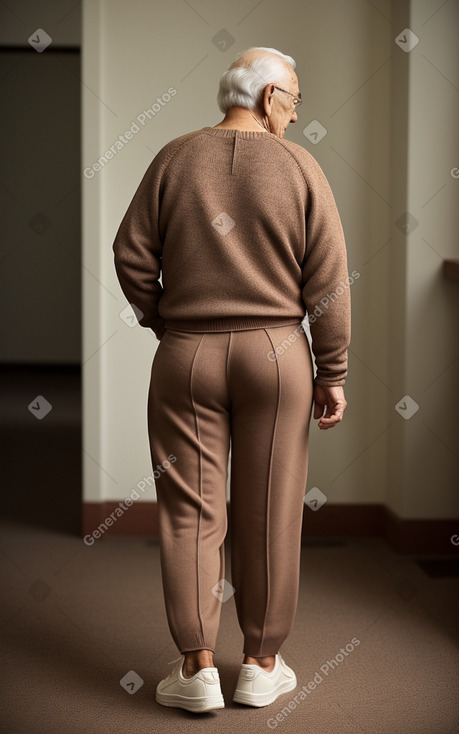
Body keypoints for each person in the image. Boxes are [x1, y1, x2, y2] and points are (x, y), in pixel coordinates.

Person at [112, 46, 351, 713]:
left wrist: (166, 322)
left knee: (189, 510)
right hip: (276, 355)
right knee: (271, 512)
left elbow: (129, 254)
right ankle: (259, 663)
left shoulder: (174, 157)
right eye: (296, 99)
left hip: (186, 355)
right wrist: (330, 371)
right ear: (270, 96)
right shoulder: (301, 167)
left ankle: (194, 669)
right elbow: (328, 283)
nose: (297, 114)